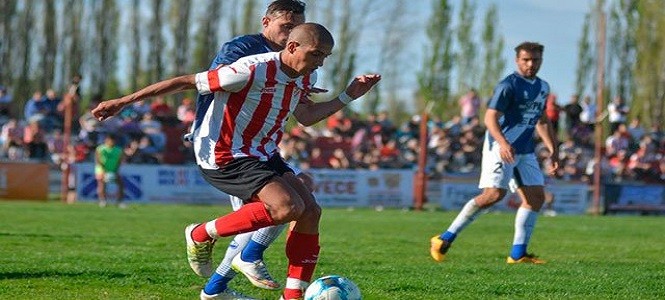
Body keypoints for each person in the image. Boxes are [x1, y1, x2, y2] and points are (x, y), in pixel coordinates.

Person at [91, 23, 381, 300]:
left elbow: (305, 118)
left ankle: (290, 295)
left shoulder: (307, 76)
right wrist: (123, 102)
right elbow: (184, 83)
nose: (320, 63)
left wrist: (347, 96)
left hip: (263, 153)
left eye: (325, 56)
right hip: (224, 154)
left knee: (310, 212)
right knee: (286, 206)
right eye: (316, 54)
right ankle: (200, 233)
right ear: (293, 46)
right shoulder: (250, 68)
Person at [192, 1, 314, 298]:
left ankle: (223, 280)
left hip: (260, 148)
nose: (290, 35)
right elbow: (215, 84)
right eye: (285, 26)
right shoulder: (242, 48)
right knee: (271, 210)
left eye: (295, 28)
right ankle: (220, 273)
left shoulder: (298, 61)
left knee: (299, 196)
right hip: (227, 146)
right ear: (266, 22)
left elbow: (302, 110)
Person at [429, 41, 558, 265]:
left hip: (525, 149)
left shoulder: (543, 87)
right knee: (494, 195)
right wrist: (504, 143)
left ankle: (518, 254)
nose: (530, 64)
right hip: (500, 146)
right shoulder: (508, 85)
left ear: (541, 61)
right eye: (525, 60)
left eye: (535, 60)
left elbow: (542, 120)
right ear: (517, 60)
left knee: (536, 198)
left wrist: (553, 149)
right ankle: (444, 238)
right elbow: (490, 117)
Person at [94, 134, 125, 208]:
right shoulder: (100, 149)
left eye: (113, 141)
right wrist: (103, 171)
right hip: (101, 170)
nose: (111, 142)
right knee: (101, 184)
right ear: (106, 140)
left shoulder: (118, 150)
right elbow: (98, 160)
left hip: (113, 170)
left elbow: (119, 161)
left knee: (121, 184)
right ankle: (103, 201)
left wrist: (116, 171)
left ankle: (119, 202)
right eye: (110, 140)